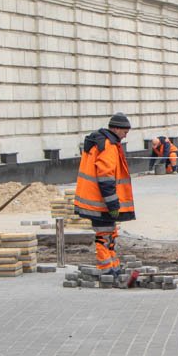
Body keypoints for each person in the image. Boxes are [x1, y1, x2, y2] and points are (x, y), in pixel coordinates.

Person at [74, 113, 136, 287]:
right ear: (116, 129)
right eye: (125, 131)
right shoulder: (107, 145)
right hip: (99, 202)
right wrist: (113, 203)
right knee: (104, 234)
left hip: (95, 200)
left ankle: (113, 265)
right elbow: (106, 177)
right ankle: (106, 269)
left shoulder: (103, 142)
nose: (126, 135)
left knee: (109, 232)